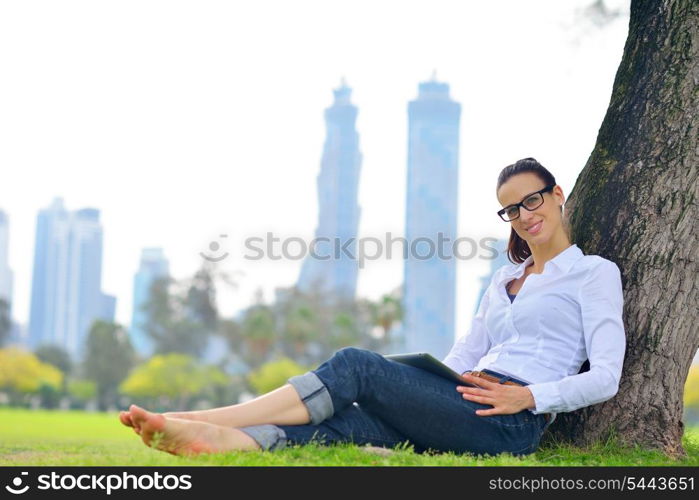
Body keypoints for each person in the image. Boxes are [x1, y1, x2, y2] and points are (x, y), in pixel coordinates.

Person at [119, 157, 626, 457]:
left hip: (510, 422)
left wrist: (528, 398)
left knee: (355, 365)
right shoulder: (504, 280)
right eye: (511, 210)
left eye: (532, 201)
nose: (523, 216)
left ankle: (207, 417)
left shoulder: (594, 273)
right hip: (461, 402)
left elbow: (606, 376)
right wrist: (422, 389)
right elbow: (465, 351)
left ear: (557, 195)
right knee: (348, 422)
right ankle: (215, 443)